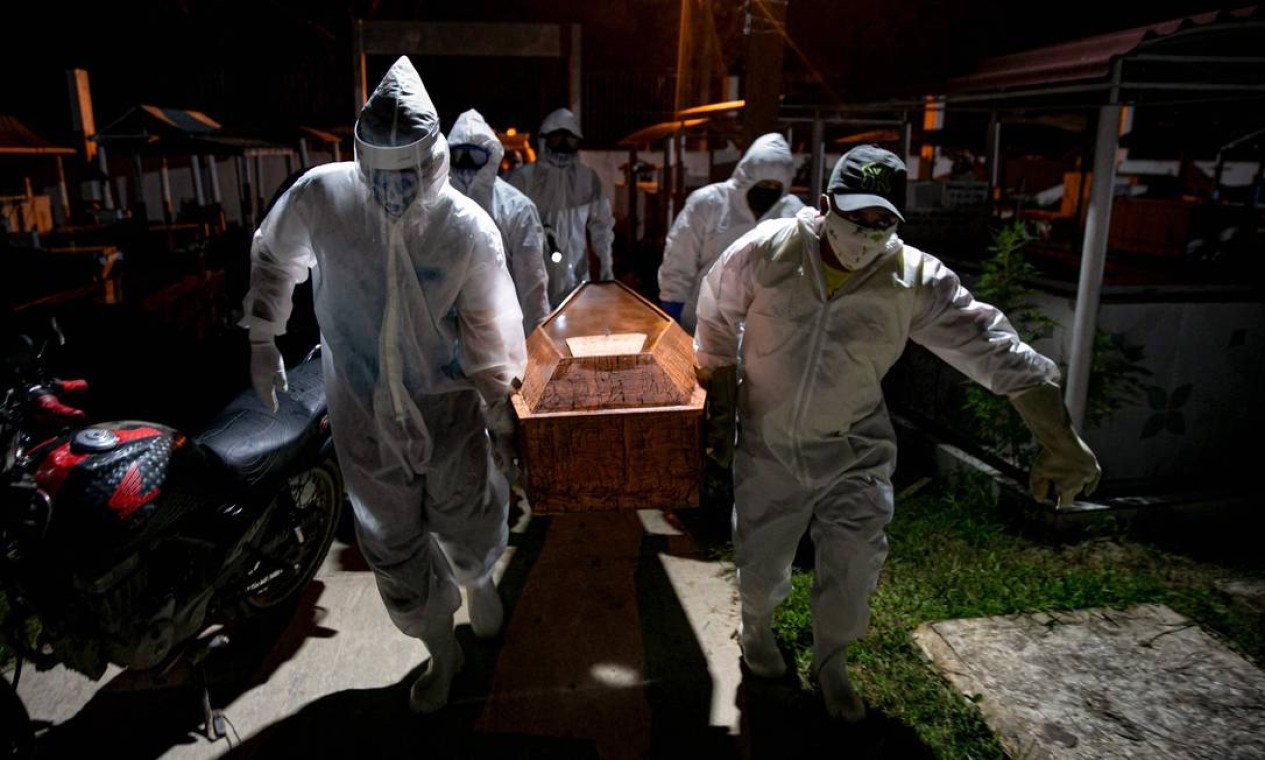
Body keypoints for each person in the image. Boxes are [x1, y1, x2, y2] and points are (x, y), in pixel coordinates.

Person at [693, 144, 1101, 722]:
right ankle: (756, 629)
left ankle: (832, 661)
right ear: (825, 203)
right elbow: (715, 315)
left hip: (854, 448)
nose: (866, 233)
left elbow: (995, 349)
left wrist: (1060, 441)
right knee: (761, 560)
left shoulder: (912, 280)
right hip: (771, 440)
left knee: (853, 566)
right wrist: (721, 399)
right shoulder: (770, 249)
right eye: (855, 217)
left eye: (882, 221)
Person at [239, 56, 527, 714]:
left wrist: (499, 410)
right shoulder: (324, 198)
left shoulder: (465, 229)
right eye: (382, 176)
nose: (394, 191)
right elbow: (273, 253)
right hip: (362, 414)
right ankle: (438, 648)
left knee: (467, 519)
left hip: (448, 411)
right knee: (390, 546)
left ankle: (477, 581)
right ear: (361, 164)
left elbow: (491, 328)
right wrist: (262, 336)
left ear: (433, 163)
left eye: (409, 176)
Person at [657, 132, 804, 334]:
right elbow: (679, 260)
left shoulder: (792, 213)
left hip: (764, 333)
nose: (768, 191)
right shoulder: (708, 204)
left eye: (775, 187)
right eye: (762, 184)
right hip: (701, 324)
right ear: (746, 177)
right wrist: (673, 313)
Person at [448, 108, 551, 335]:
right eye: (458, 155)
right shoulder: (438, 206)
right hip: (451, 341)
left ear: (490, 155)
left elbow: (532, 285)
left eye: (474, 156)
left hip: (504, 338)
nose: (466, 165)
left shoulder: (516, 209)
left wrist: (536, 343)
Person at [506, 107, 615, 308]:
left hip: (576, 276)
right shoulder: (523, 179)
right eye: (557, 139)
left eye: (570, 140)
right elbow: (507, 228)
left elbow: (602, 226)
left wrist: (607, 265)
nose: (564, 147)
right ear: (544, 139)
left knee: (574, 331)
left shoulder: (587, 179)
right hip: (534, 276)